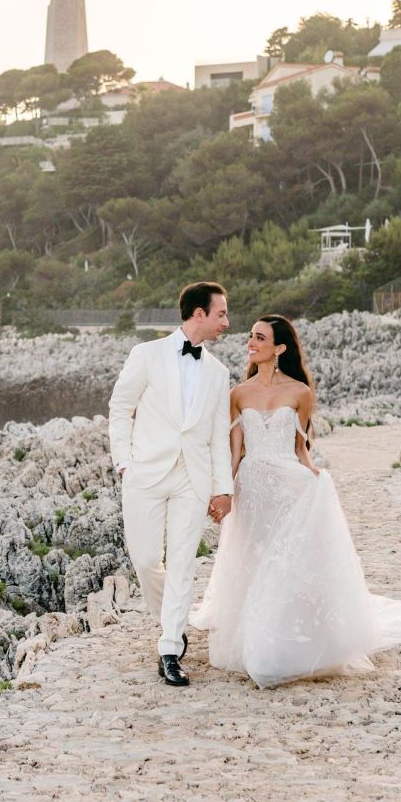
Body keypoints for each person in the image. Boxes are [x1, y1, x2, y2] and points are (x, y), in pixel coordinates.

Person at [189, 314, 401, 688]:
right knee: (253, 561)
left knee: (284, 564)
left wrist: (316, 480)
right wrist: (224, 493)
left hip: (290, 489)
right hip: (252, 490)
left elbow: (301, 451)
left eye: (260, 337)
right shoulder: (237, 394)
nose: (251, 342)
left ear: (279, 348)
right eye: (251, 336)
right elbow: (235, 453)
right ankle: (253, 636)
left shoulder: (300, 393)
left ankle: (278, 646)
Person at [108, 281, 233, 687]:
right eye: (221, 314)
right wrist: (124, 461)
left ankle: (169, 649)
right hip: (144, 473)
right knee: (145, 559)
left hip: (192, 479)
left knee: (183, 563)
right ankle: (172, 623)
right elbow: (120, 408)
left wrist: (222, 487)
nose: (226, 323)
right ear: (199, 314)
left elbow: (217, 435)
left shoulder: (218, 372)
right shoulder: (146, 355)